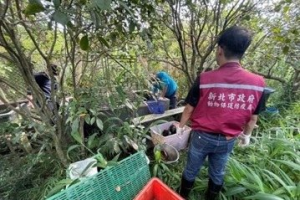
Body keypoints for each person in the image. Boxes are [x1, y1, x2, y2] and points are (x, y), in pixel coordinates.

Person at [177, 26, 266, 200]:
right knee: (218, 173)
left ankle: (182, 197)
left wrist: (180, 127)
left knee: (191, 169)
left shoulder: (205, 78)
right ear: (242, 52)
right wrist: (246, 135)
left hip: (202, 137)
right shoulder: (258, 83)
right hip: (228, 140)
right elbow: (253, 118)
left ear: (220, 49)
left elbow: (189, 108)